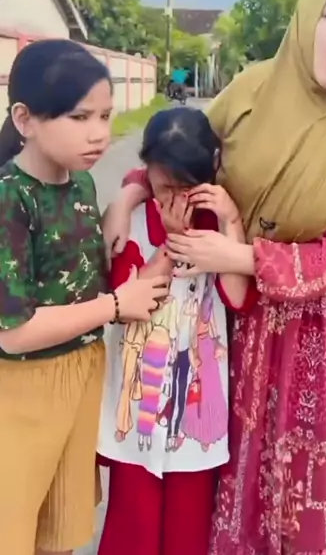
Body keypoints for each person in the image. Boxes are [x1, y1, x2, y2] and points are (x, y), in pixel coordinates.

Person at [103, 0, 326, 554]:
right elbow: (182, 154)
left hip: (324, 330)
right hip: (238, 319)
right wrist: (129, 194)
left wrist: (241, 254)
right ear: (305, 25)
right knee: (234, 458)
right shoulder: (252, 89)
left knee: (309, 473)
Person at [0, 39, 169, 555]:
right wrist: (116, 306)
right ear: (25, 119)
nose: (99, 133)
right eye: (79, 117)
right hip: (22, 393)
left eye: (105, 116)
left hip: (82, 378)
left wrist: (123, 202)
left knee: (61, 529)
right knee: (13, 525)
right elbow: (14, 332)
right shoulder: (10, 197)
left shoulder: (81, 185)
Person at [97, 107, 255, 555]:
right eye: (166, 187)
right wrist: (169, 241)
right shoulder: (132, 220)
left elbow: (237, 297)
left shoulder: (218, 221)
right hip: (139, 399)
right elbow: (128, 304)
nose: (178, 199)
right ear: (146, 169)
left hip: (197, 406)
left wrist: (231, 223)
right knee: (135, 521)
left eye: (189, 187)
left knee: (189, 524)